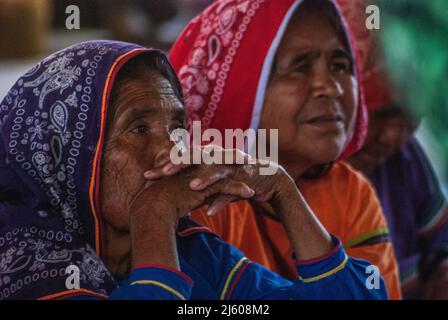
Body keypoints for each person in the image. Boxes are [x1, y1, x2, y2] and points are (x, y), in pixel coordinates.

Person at [0, 40, 387, 300]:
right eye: (138, 129)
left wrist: (285, 194)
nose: (172, 149)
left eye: (178, 128)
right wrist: (153, 219)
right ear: (63, 155)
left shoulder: (194, 253)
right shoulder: (23, 269)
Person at [168, 0, 401, 299]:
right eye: (300, 67)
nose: (331, 87)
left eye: (340, 65)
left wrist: (284, 192)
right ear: (239, 84)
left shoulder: (349, 192)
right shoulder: (198, 196)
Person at [347, 69, 448, 299]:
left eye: (411, 116)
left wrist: (442, 270)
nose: (394, 136)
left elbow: (440, 241)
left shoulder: (404, 158)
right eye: (380, 116)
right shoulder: (293, 185)